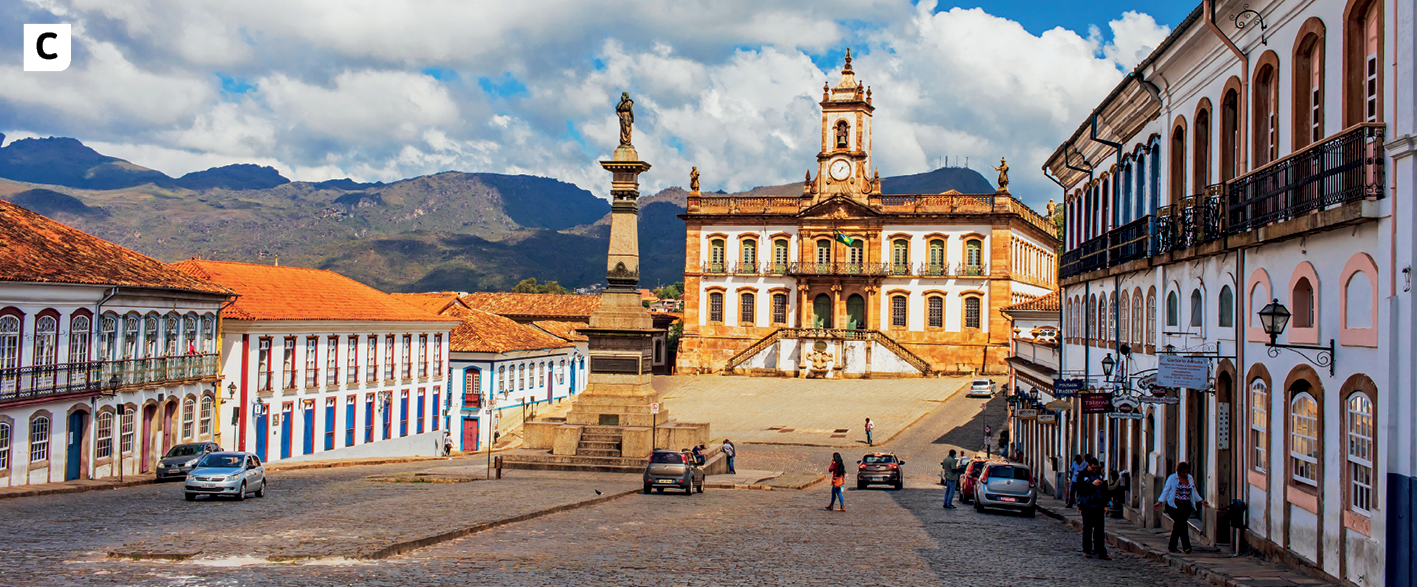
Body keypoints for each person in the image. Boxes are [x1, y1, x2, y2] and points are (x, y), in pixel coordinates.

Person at [1155, 462, 1205, 553]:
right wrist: (1160, 502)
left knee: (1180, 525)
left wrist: (1201, 500)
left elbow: (1193, 491)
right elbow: (1166, 490)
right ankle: (1185, 546)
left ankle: (1174, 547)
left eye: (1187, 472)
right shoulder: (1172, 478)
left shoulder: (1190, 478)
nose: (1185, 474)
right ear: (1178, 472)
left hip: (1186, 506)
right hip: (1174, 505)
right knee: (1181, 523)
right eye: (1183, 473)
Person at [1076, 456, 1110, 559]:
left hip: (1099, 505)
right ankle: (1087, 550)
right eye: (1093, 468)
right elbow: (1080, 490)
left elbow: (1103, 490)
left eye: (1096, 468)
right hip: (1087, 506)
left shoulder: (1099, 474)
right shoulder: (1082, 475)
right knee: (1087, 529)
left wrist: (1105, 505)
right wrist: (1092, 485)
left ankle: (1101, 551)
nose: (1095, 469)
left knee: (1099, 530)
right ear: (1089, 465)